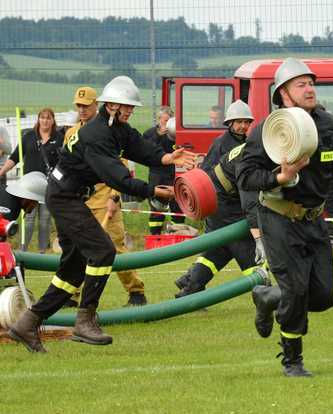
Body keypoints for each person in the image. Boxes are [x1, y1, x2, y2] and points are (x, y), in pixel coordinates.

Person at [8, 76, 196, 353]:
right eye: (125, 106)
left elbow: (137, 145)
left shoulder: (117, 128)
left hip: (68, 196)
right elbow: (118, 178)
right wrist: (154, 191)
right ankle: (85, 321)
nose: (129, 111)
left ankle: (26, 323)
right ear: (110, 106)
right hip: (64, 197)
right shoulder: (96, 136)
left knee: (71, 273)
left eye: (131, 107)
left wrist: (165, 158)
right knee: (103, 251)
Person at [237, 57, 333, 377]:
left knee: (323, 294)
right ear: (284, 93)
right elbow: (245, 176)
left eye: (311, 83)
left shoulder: (327, 124)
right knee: (296, 290)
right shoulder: (268, 130)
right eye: (301, 84)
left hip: (314, 219)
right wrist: (278, 179)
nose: (309, 89)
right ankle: (292, 361)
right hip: (278, 218)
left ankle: (268, 297)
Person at [63, 86, 148, 308]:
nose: (81, 110)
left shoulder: (111, 131)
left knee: (115, 249)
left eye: (86, 106)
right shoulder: (71, 133)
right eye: (78, 106)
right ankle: (71, 294)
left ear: (97, 105)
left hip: (105, 199)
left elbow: (121, 169)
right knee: (76, 249)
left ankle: (136, 292)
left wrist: (114, 197)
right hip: (80, 201)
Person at [175, 99, 257, 297]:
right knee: (247, 252)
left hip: (233, 207)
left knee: (217, 252)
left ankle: (190, 285)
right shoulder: (221, 143)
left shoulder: (247, 143)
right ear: (229, 123)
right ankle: (263, 289)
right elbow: (206, 174)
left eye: (246, 122)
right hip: (225, 209)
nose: (243, 125)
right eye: (239, 121)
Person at [0, 108, 63, 252]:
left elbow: (63, 163)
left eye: (48, 118)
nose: (45, 121)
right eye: (42, 117)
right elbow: (15, 157)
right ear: (38, 119)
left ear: (53, 120)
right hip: (28, 189)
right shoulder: (28, 136)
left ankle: (42, 252)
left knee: (45, 220)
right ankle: (23, 250)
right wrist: (2, 171)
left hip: (48, 187)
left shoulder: (59, 138)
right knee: (28, 221)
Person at [143, 106, 185, 234]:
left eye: (170, 121)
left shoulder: (176, 134)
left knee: (178, 207)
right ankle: (155, 236)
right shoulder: (149, 134)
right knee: (157, 208)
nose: (167, 124)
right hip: (157, 175)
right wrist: (158, 135)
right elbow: (144, 151)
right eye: (165, 121)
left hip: (174, 174)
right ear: (158, 120)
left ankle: (178, 237)